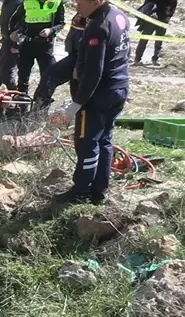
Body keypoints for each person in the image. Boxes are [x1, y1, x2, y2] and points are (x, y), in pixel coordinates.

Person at [49, 0, 130, 205]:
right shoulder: (118, 15)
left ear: (97, 1)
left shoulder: (98, 25)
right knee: (104, 141)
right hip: (118, 88)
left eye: (81, 2)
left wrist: (77, 103)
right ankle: (99, 191)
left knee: (87, 144)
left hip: (98, 96)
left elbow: (94, 72)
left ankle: (81, 191)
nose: (77, 6)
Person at [10, 0, 66, 101]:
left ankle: (40, 105)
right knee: (23, 77)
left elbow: (61, 23)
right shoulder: (27, 2)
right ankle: (21, 107)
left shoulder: (56, 2)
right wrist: (14, 37)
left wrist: (51, 30)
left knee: (48, 76)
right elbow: (14, 20)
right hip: (27, 45)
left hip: (45, 46)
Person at [0, 0, 22, 90]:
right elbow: (4, 18)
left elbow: (22, 25)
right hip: (7, 41)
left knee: (6, 73)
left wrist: (16, 45)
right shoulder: (7, 3)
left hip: (14, 43)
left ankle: (16, 95)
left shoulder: (19, 4)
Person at [133, 0, 176, 66]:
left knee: (159, 41)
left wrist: (169, 16)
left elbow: (173, 6)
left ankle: (155, 59)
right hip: (152, 18)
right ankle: (137, 59)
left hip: (163, 20)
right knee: (144, 39)